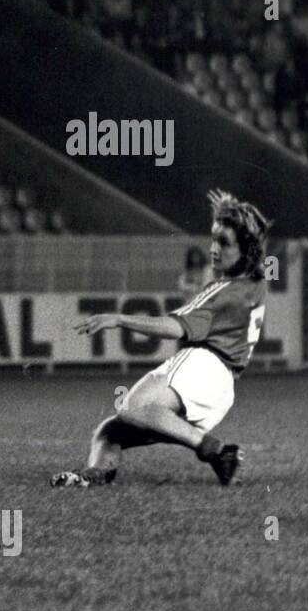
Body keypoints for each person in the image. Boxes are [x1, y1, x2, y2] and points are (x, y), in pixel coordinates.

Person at [52, 189, 270, 489]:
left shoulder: (225, 291)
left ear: (245, 251)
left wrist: (119, 318)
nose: (214, 249)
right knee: (110, 431)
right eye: (213, 238)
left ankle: (218, 452)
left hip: (204, 365)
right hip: (220, 390)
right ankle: (94, 475)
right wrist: (233, 211)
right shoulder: (255, 283)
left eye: (224, 243)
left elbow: (173, 327)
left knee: (132, 408)